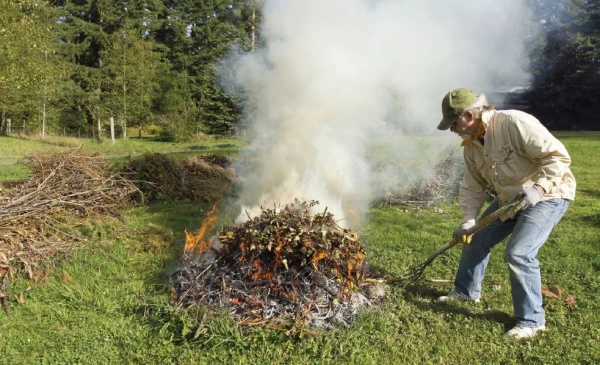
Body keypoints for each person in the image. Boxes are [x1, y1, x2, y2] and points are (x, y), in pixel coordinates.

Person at [436, 88, 576, 339]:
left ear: (469, 115)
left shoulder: (514, 123)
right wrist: (469, 220)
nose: (452, 130)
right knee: (476, 237)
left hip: (549, 194)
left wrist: (539, 187)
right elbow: (472, 186)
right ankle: (466, 292)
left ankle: (532, 320)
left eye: (453, 123)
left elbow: (557, 157)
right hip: (510, 200)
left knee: (519, 253)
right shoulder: (471, 147)